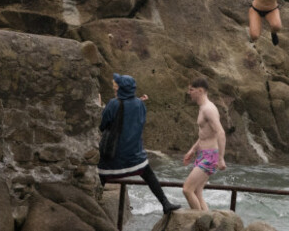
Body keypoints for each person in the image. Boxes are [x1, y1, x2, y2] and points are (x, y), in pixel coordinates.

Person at [97, 73, 180, 215]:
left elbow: (102, 125)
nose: (114, 88)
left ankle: (94, 205)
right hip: (135, 159)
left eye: (116, 86)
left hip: (112, 162)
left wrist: (101, 108)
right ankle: (165, 203)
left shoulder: (113, 104)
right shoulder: (140, 104)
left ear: (121, 89)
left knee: (98, 181)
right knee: (149, 175)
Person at [182, 78, 226, 211]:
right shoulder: (202, 108)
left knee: (187, 190)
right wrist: (192, 150)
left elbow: (220, 132)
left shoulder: (208, 109)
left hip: (210, 156)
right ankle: (206, 221)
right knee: (196, 192)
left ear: (200, 91)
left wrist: (221, 158)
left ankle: (199, 220)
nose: (188, 92)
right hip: (203, 154)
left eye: (191, 90)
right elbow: (204, 134)